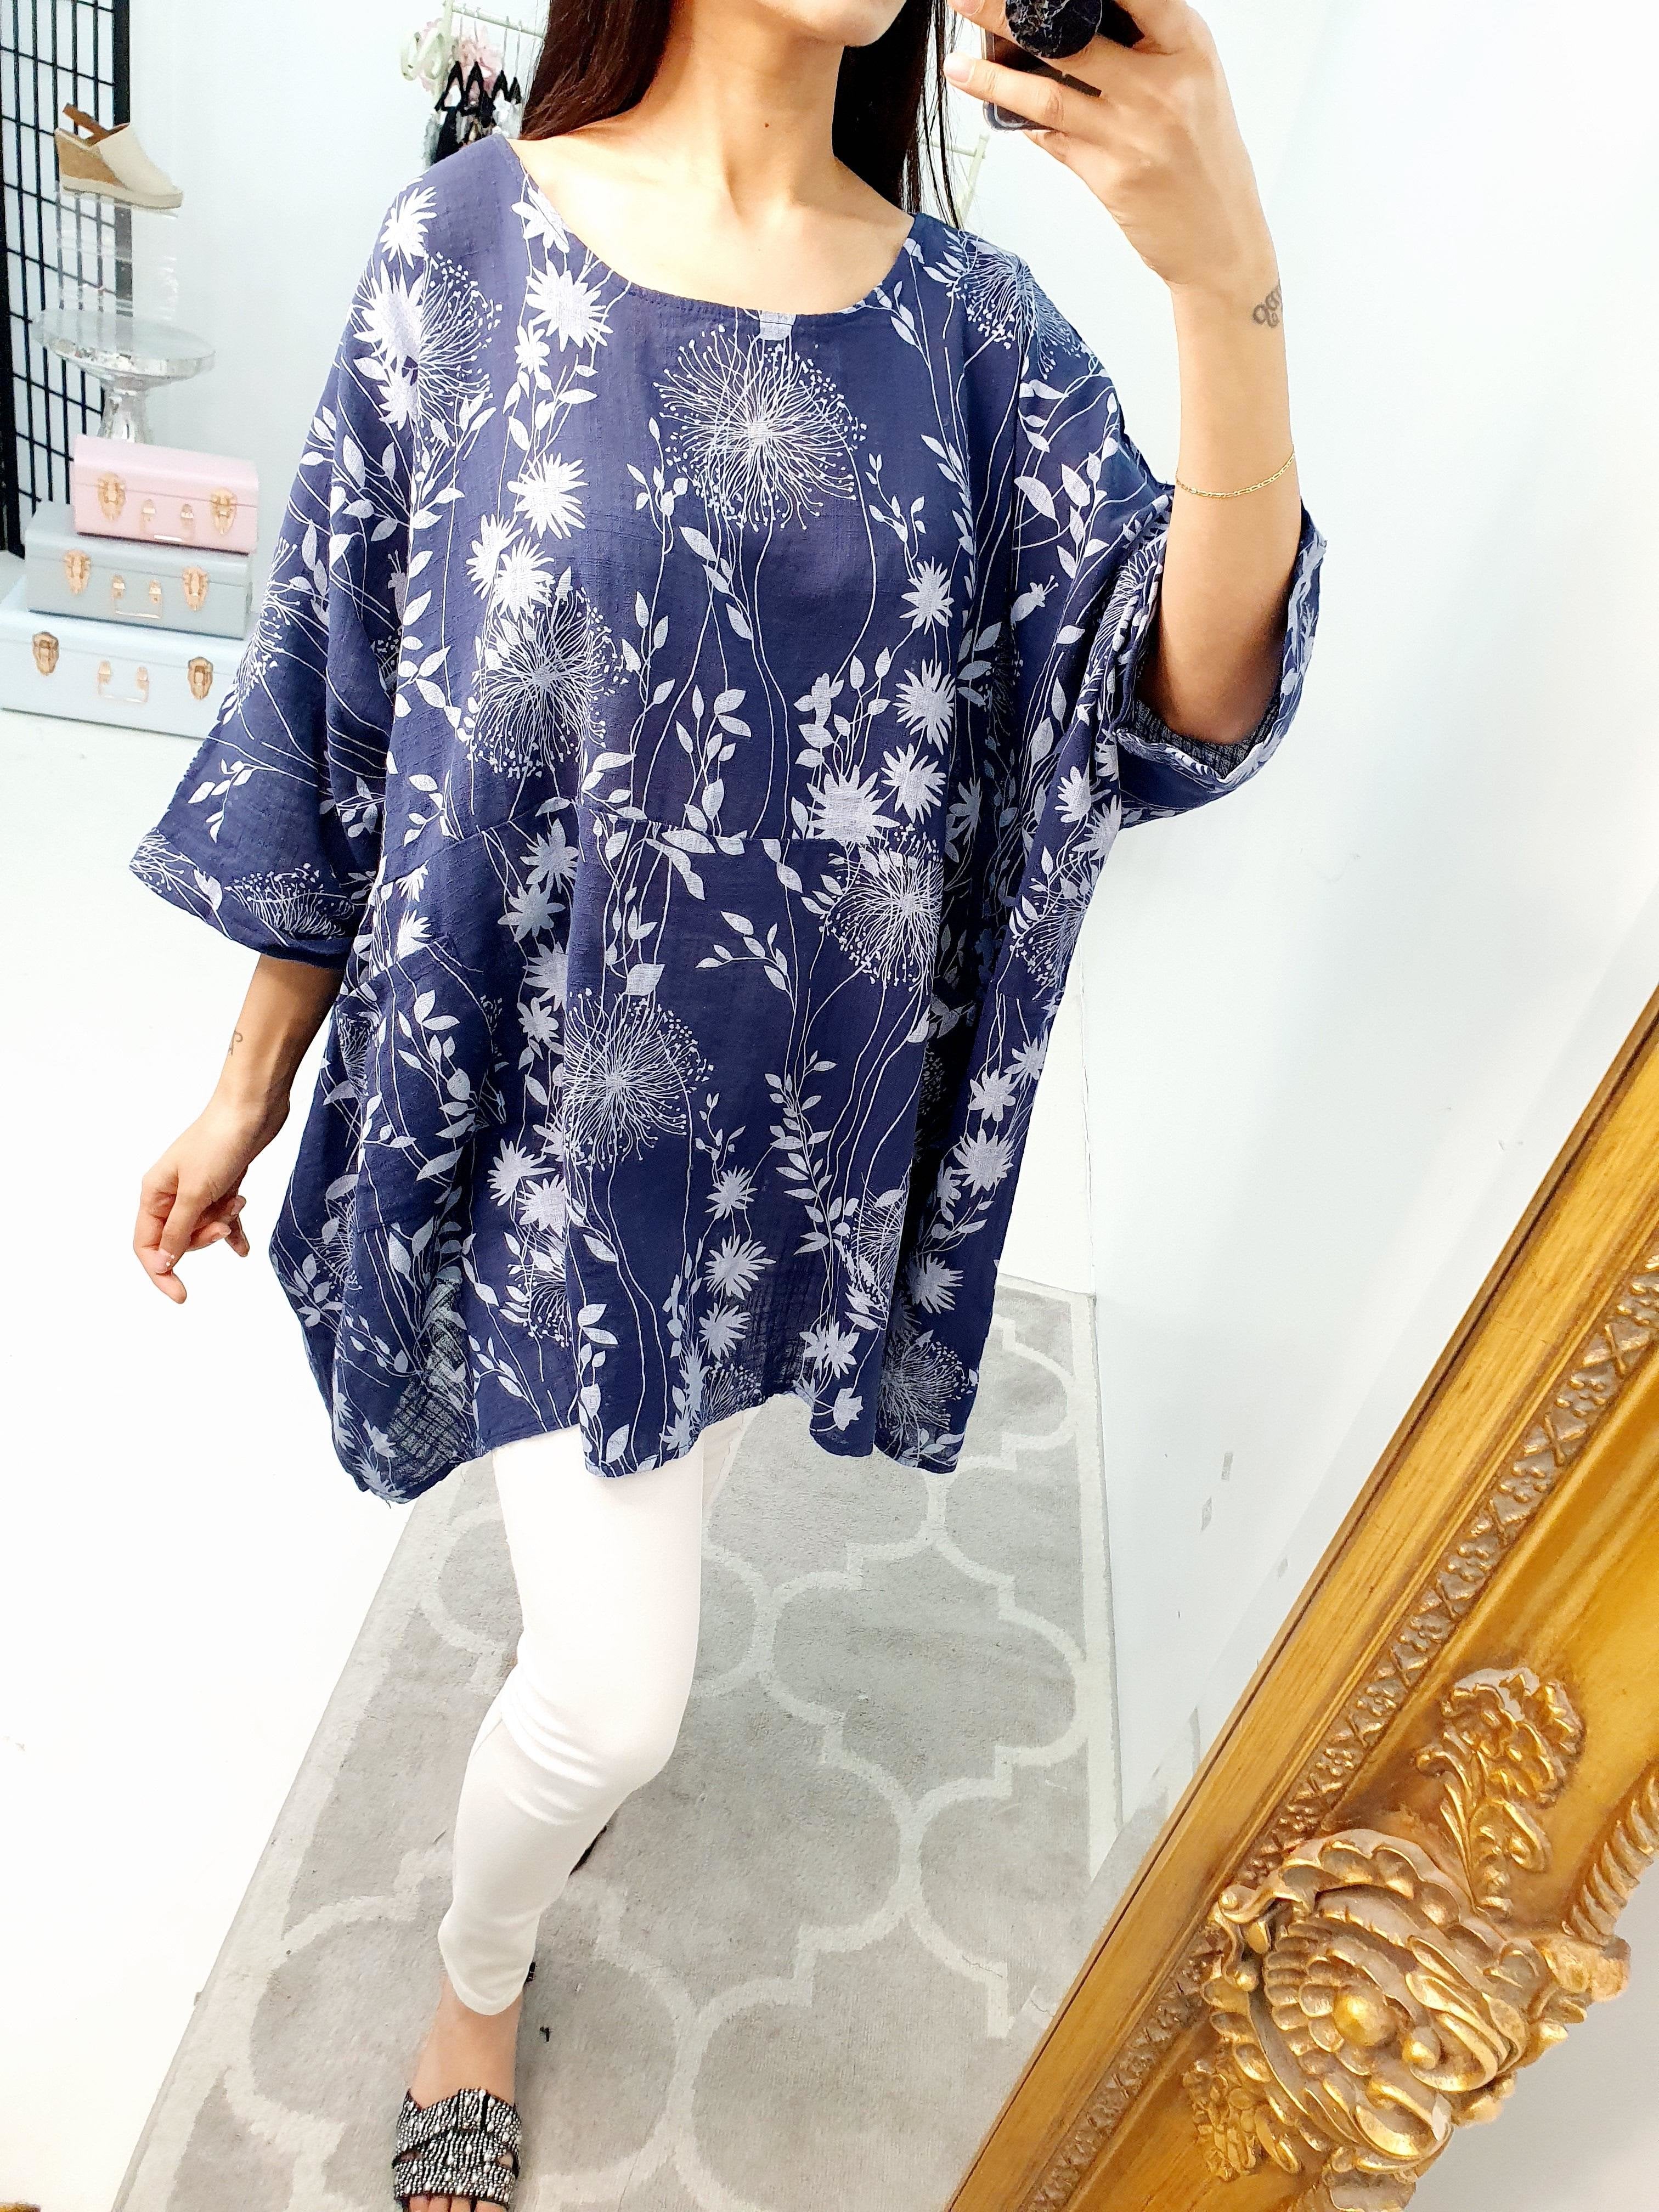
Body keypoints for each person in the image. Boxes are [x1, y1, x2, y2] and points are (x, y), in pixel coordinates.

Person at [129, 0, 1323, 2199]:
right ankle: (475, 1972)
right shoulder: (465, 245)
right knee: (617, 1701)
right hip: (531, 1127)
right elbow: (344, 693)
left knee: (650, 1531)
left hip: (790, 1148)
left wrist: (1219, 272)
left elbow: (1189, 692)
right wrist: (245, 1083)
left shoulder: (969, 333)